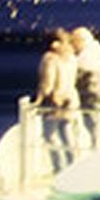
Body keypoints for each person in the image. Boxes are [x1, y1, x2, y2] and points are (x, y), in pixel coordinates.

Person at [36, 29, 79, 173]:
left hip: (55, 102)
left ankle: (59, 167)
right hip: (70, 100)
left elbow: (47, 83)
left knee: (49, 136)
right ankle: (73, 165)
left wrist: (39, 100)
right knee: (67, 133)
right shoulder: (72, 57)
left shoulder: (50, 58)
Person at [71, 26, 100, 151]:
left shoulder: (88, 54)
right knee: (94, 122)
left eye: (74, 42)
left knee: (93, 122)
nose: (73, 45)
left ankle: (98, 148)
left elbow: (77, 69)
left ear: (81, 40)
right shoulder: (96, 50)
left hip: (92, 94)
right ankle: (99, 147)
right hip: (97, 92)